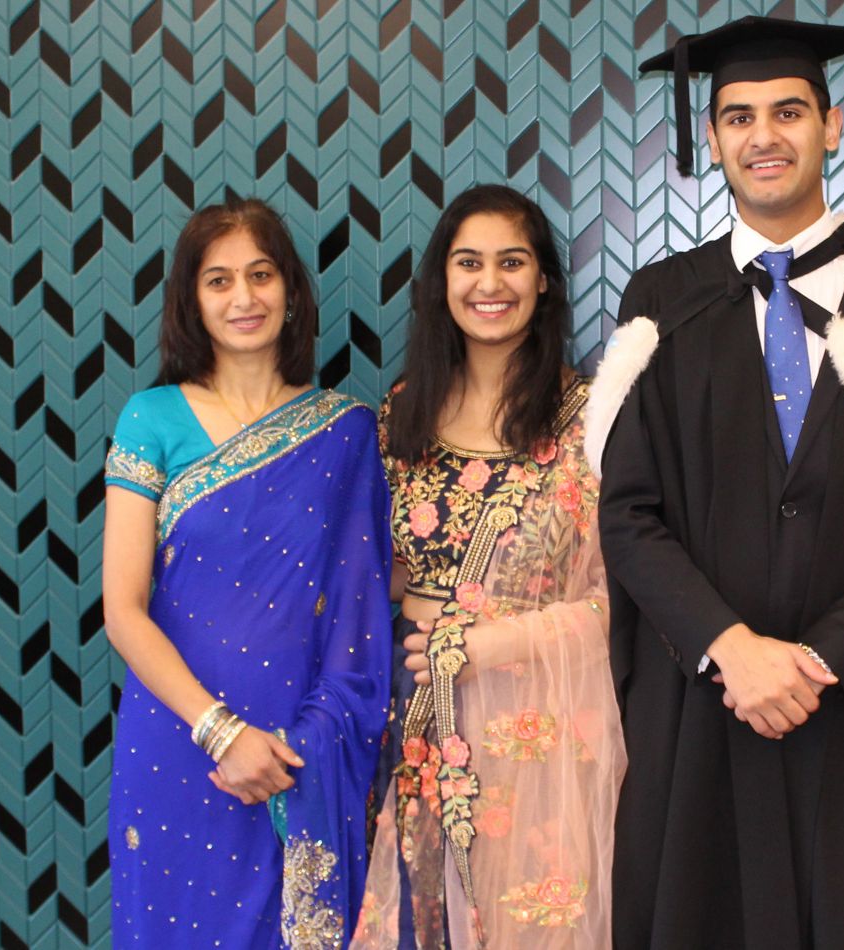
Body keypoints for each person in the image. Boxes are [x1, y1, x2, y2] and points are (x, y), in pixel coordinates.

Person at [588, 17, 844, 950]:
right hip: (705, 708)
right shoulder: (660, 302)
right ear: (712, 139)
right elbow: (629, 514)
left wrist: (817, 662)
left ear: (833, 123)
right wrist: (730, 647)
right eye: (737, 117)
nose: (762, 136)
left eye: (787, 111)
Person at [102, 197, 392, 947]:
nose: (243, 298)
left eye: (261, 275)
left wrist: (305, 737)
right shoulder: (151, 418)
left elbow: (360, 612)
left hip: (298, 749)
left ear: (290, 290)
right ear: (192, 301)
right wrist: (220, 731)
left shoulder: (345, 429)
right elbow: (122, 609)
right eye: (219, 280)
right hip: (178, 740)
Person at [352, 184, 625, 949]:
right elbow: (388, 570)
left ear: (543, 281)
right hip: (413, 723)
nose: (490, 283)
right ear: (443, 281)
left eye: (513, 262)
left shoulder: (591, 421)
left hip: (536, 734)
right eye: (469, 263)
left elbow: (623, 597)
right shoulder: (402, 411)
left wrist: (488, 644)